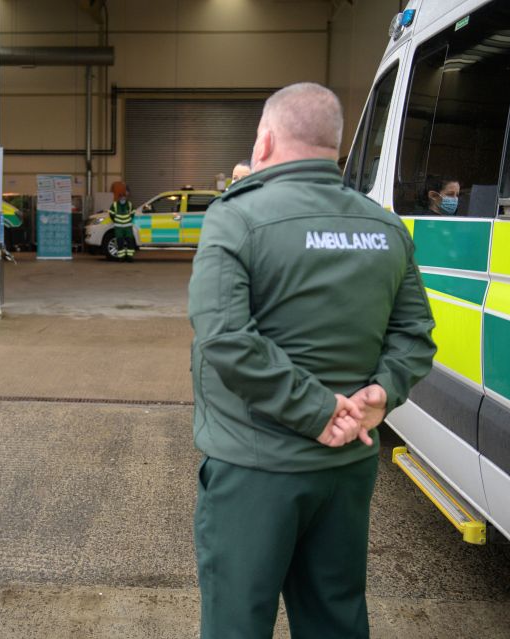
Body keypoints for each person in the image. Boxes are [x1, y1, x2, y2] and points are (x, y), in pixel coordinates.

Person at [188, 83, 436, 638]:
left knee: (237, 620)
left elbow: (225, 336)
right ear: (336, 146)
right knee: (335, 616)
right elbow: (415, 333)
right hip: (347, 469)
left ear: (266, 139)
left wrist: (316, 410)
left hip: (256, 467)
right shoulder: (386, 226)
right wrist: (382, 394)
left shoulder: (236, 218)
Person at [108, 181, 136, 262]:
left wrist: (129, 219)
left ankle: (129, 257)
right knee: (120, 242)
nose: (123, 199)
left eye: (124, 198)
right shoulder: (114, 205)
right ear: (119, 198)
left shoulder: (129, 204)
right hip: (119, 227)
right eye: (121, 198)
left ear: (126, 198)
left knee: (130, 242)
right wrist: (115, 220)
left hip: (127, 226)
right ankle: (121, 257)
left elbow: (133, 212)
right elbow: (111, 213)